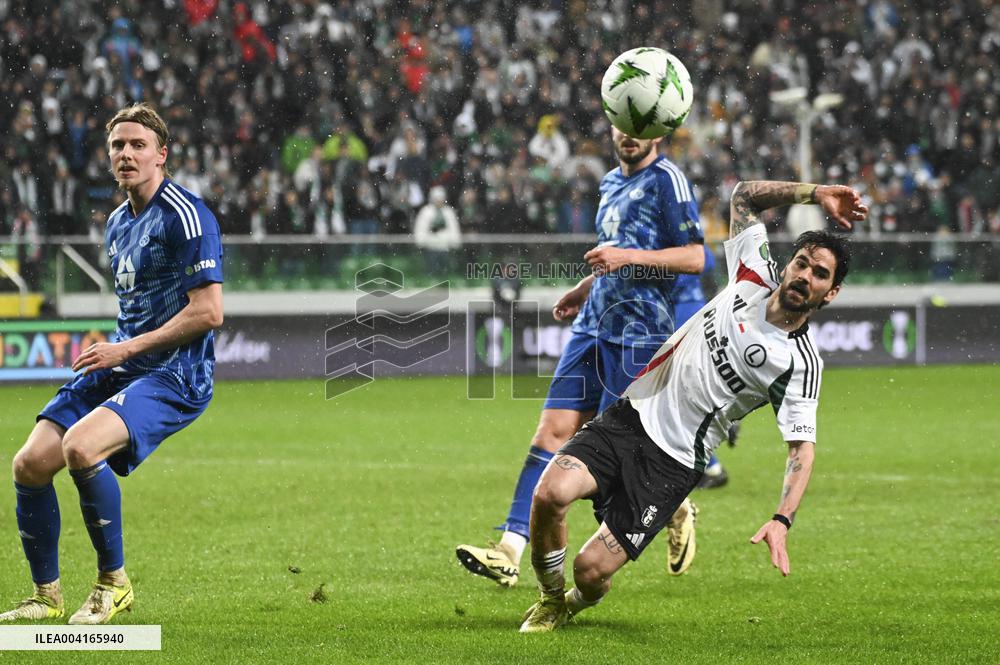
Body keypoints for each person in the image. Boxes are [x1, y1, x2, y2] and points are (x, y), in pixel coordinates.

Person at [519, 180, 868, 633]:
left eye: (820, 274)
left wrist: (782, 519)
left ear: (831, 292)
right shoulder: (752, 273)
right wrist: (814, 193)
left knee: (590, 572)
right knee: (549, 494)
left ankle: (575, 600)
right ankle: (549, 600)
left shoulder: (799, 363)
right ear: (787, 266)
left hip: (673, 465)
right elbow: (744, 196)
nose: (805, 276)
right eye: (801, 263)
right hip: (630, 416)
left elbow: (801, 449)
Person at [1, 103, 224, 625]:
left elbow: (210, 312)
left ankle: (113, 585)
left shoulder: (187, 216)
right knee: (29, 465)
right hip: (123, 366)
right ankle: (45, 596)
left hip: (175, 375)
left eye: (138, 145)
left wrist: (125, 349)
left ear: (161, 155)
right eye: (118, 147)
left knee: (81, 447)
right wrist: (119, 350)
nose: (127, 154)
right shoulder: (119, 222)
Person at [456, 126, 706, 587]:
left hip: (639, 331)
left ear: (659, 129)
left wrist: (625, 258)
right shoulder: (610, 181)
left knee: (630, 454)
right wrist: (585, 287)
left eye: (640, 127)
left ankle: (675, 506)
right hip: (591, 325)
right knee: (551, 431)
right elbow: (612, 258)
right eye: (622, 125)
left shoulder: (669, 180)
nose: (629, 136)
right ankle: (509, 549)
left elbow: (694, 258)